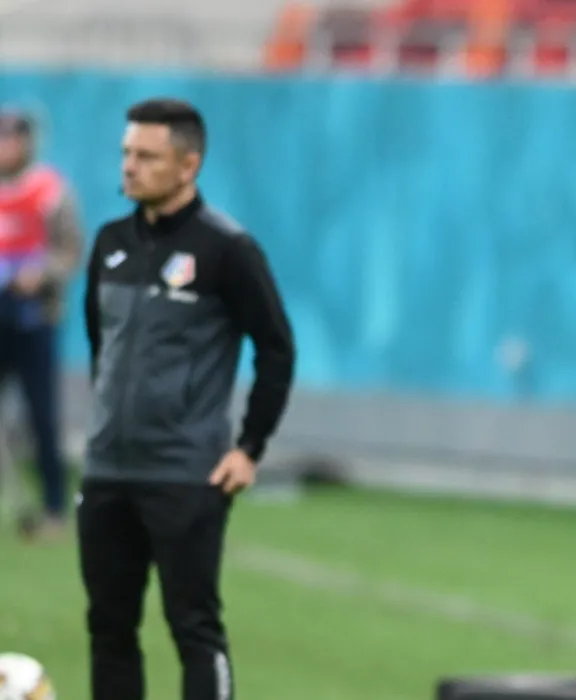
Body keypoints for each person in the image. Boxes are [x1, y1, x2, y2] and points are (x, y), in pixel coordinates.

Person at [78, 98, 296, 700]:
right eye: (127, 153)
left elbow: (277, 347)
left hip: (185, 474)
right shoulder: (110, 242)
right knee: (108, 627)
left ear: (188, 165)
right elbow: (103, 347)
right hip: (107, 471)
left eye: (147, 156)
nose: (129, 167)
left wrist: (249, 447)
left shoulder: (228, 249)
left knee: (194, 628)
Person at [0, 107, 84, 538]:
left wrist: (42, 273)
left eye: (10, 138)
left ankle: (54, 507)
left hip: (35, 318)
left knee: (41, 416)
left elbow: (71, 250)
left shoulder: (50, 190)